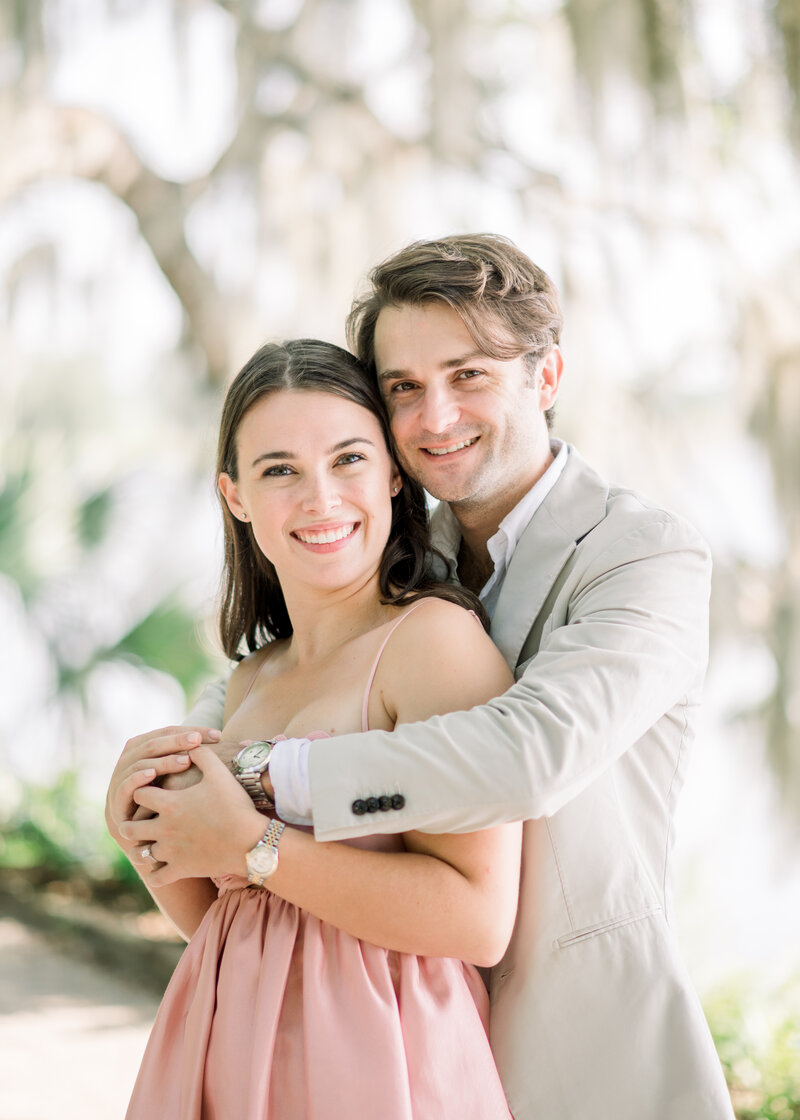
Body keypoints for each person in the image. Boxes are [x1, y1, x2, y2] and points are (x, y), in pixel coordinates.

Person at [109, 235, 735, 1120]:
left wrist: (261, 786)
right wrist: (153, 794)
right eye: (404, 387)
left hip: (578, 1045)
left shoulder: (642, 555)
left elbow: (529, 756)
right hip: (370, 1046)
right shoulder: (387, 565)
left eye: (469, 374)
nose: (435, 415)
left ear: (547, 377)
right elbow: (230, 734)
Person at [108, 338, 520, 1119]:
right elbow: (229, 923)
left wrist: (252, 846)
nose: (321, 498)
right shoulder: (251, 678)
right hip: (226, 1043)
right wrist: (146, 840)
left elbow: (478, 920)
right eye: (280, 470)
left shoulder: (430, 643)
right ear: (235, 496)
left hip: (374, 1060)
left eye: (349, 459)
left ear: (394, 475)